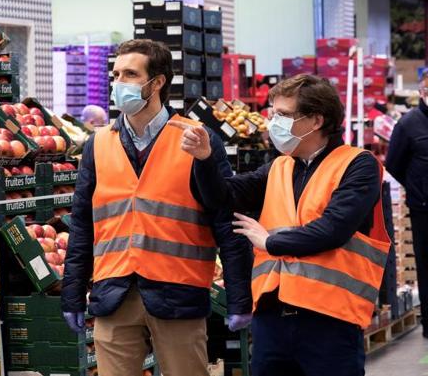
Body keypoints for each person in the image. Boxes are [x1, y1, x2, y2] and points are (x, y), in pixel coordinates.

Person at [171, 74, 391, 376]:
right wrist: (206, 158)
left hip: (329, 320)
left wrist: (269, 242)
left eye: (284, 115)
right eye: (272, 113)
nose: (274, 122)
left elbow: (333, 229)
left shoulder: (358, 165)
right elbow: (224, 196)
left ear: (315, 120)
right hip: (272, 317)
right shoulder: (279, 166)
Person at [60, 39, 253, 376]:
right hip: (114, 293)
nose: (119, 82)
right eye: (116, 74)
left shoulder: (198, 140)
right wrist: (72, 292)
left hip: (178, 293)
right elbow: (81, 225)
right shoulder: (98, 143)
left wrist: (239, 295)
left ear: (158, 82)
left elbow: (226, 218)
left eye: (130, 74)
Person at [385, 71, 428, 338]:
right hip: (424, 207)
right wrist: (417, 188)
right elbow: (394, 163)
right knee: (425, 262)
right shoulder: (408, 124)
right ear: (423, 92)